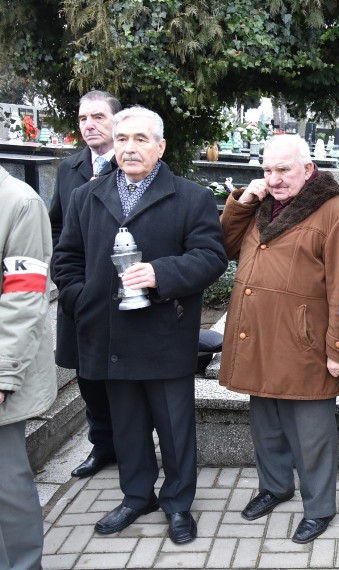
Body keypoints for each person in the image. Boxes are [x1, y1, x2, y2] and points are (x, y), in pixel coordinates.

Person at [52, 106, 227, 545]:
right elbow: (67, 259)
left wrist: (160, 274)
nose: (130, 148)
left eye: (141, 139)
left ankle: (178, 503)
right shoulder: (86, 197)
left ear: (160, 146)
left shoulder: (191, 197)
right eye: (123, 138)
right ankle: (136, 496)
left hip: (165, 331)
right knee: (126, 425)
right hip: (109, 334)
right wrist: (80, 301)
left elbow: (210, 257)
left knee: (174, 428)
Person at [218, 134, 339, 543]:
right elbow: (224, 245)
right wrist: (242, 202)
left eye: (283, 170)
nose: (274, 179)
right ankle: (275, 487)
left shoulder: (335, 212)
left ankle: (319, 507)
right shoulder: (259, 205)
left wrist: (337, 349)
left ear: (308, 170)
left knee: (312, 434)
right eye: (267, 171)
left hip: (304, 343)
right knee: (266, 425)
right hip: (257, 336)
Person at [48, 89, 121, 479]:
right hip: (80, 292)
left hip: (118, 292)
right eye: (82, 119)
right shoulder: (69, 169)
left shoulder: (131, 166)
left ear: (116, 121)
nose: (89, 125)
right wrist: (68, 278)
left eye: (98, 117)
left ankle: (130, 446)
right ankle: (101, 446)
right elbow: (57, 223)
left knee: (118, 376)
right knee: (87, 375)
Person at [0, 167, 57, 570]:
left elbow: (22, 299)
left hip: (4, 366)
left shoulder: (19, 203)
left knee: (6, 484)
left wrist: (4, 374)